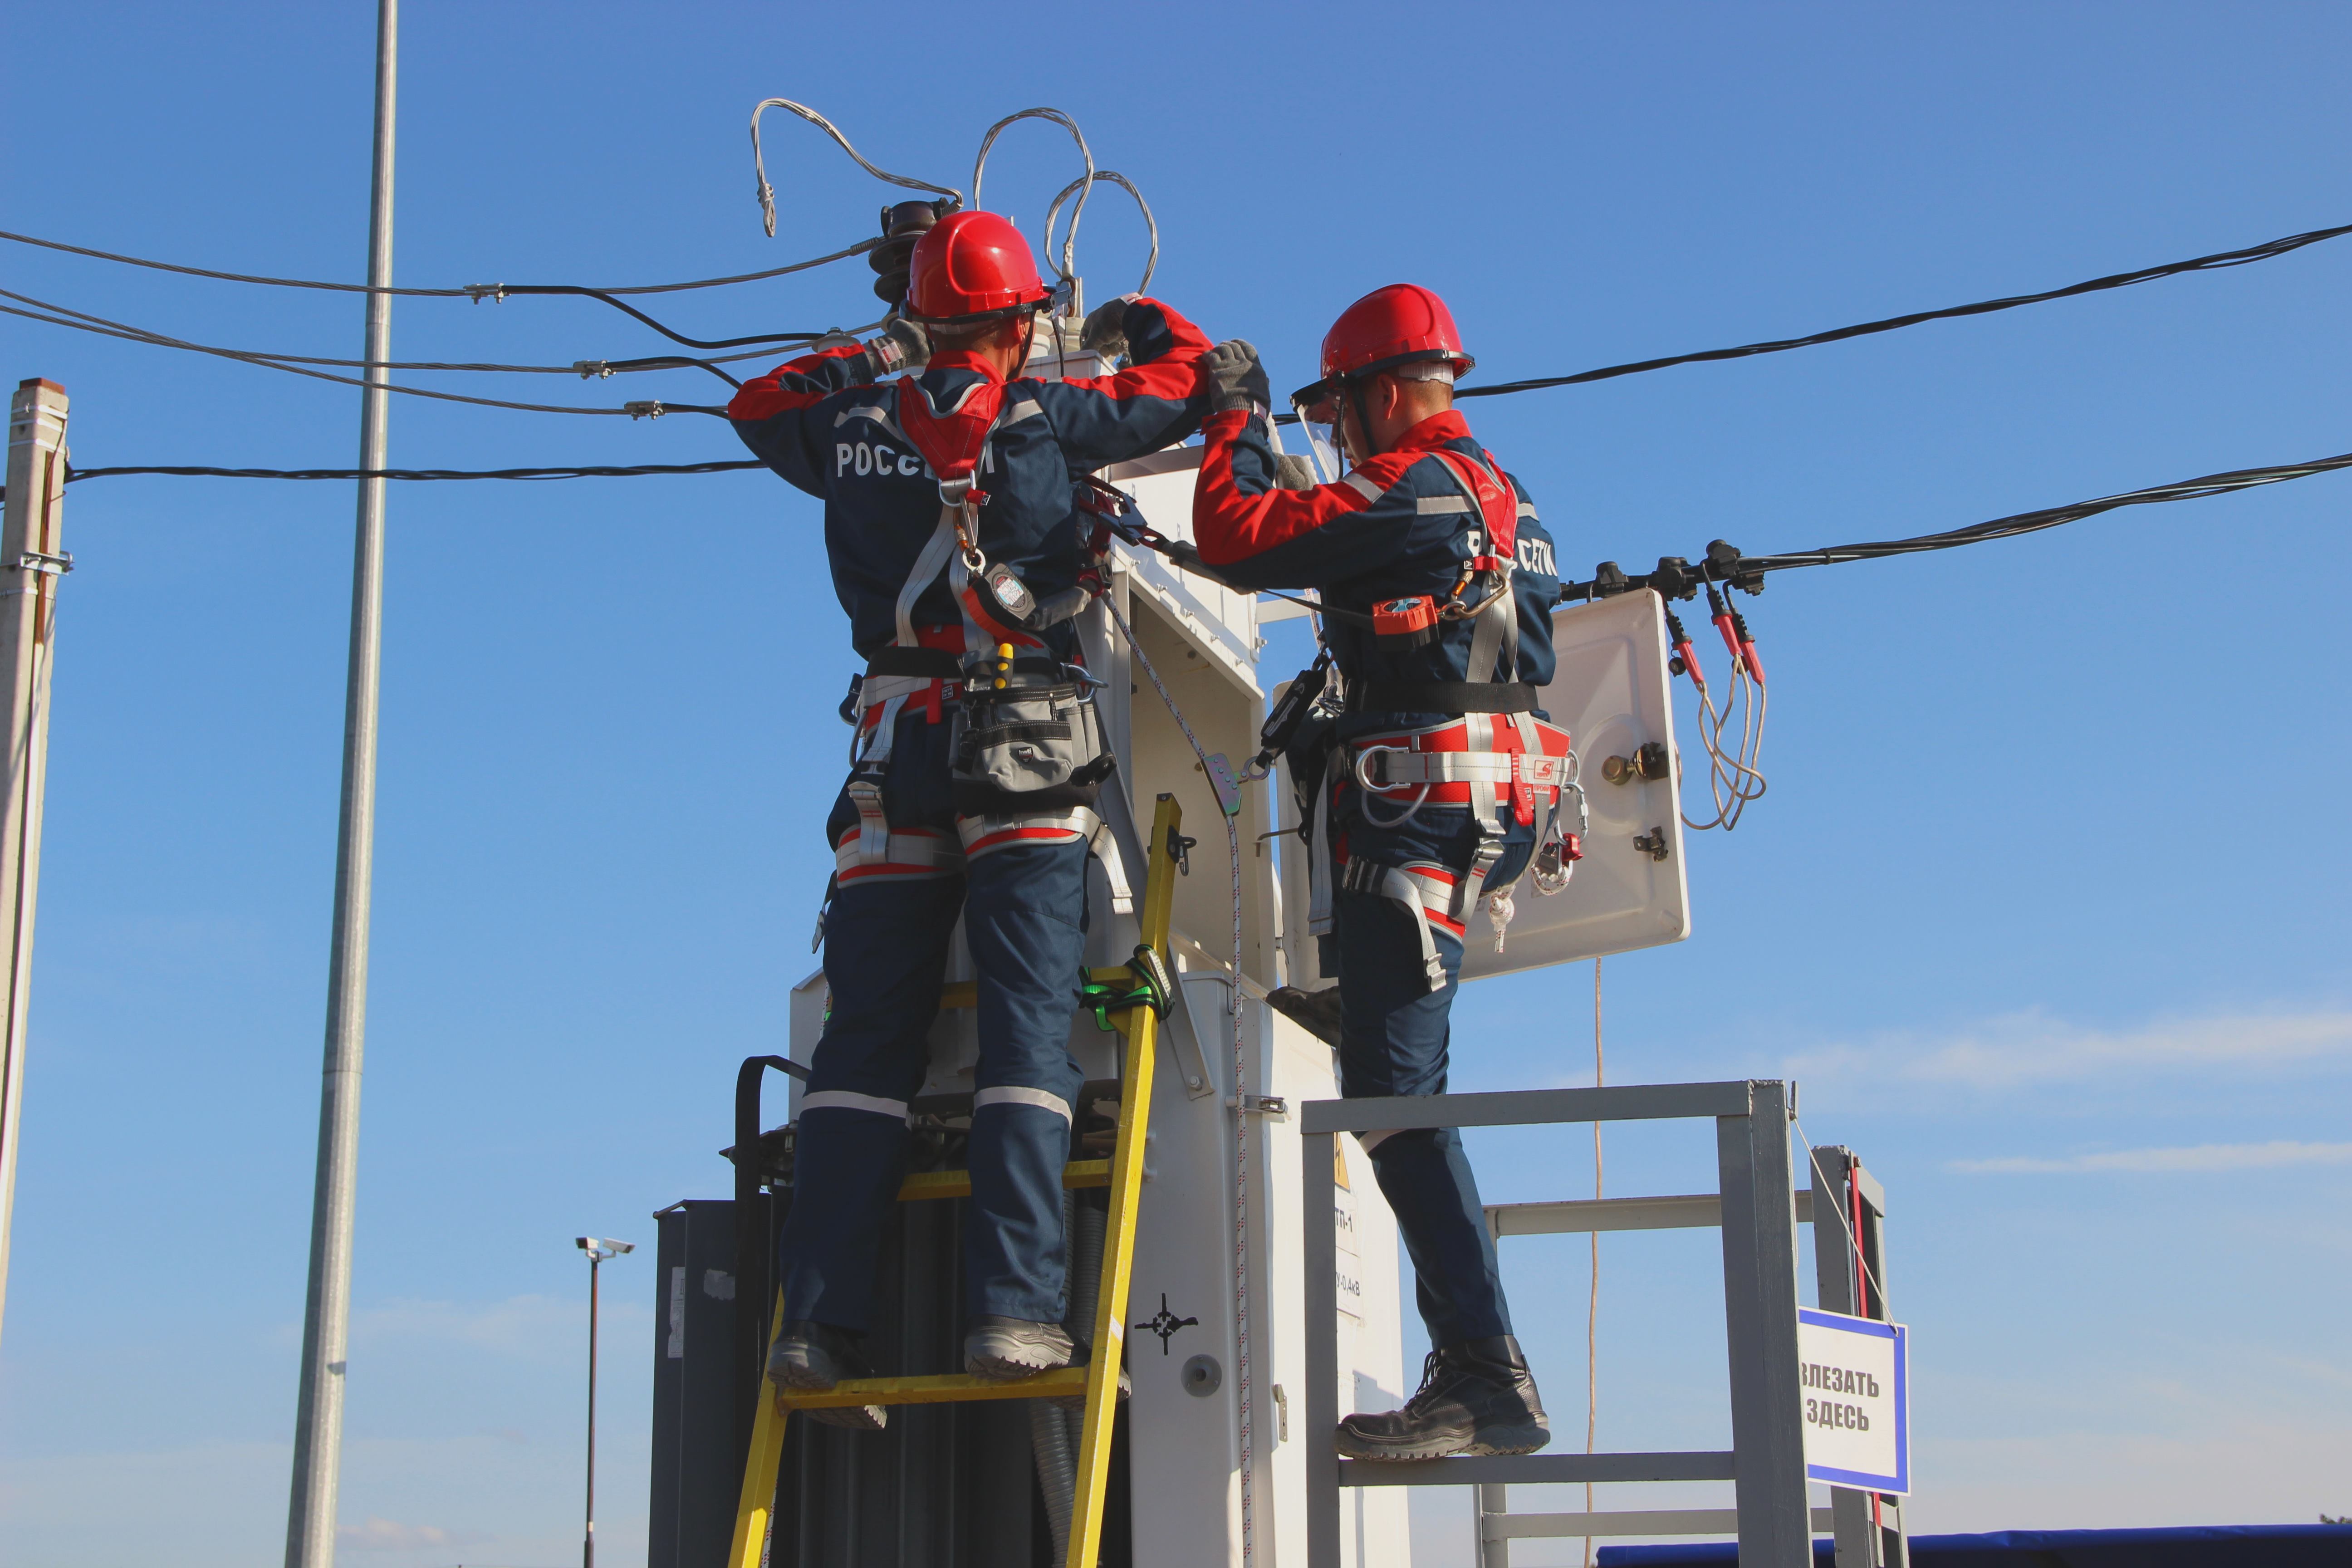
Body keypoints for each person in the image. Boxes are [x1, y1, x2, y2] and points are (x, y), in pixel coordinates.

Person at [726, 208, 1209, 1428]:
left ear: (922, 316)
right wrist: (1130, 324)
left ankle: (817, 1326)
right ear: (1017, 322)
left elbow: (753, 401)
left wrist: (879, 359)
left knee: (862, 1052)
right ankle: (1010, 1309)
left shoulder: (850, 421)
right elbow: (1193, 376)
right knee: (1026, 1043)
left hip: (894, 754)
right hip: (1026, 752)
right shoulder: (1055, 418)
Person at [1189, 285, 1573, 1460]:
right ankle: (1355, 1007)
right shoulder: (1505, 496)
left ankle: (1483, 1370)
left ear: (1392, 390)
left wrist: (1235, 421)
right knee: (1387, 1051)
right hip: (1493, 805)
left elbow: (1234, 539)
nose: (1342, 436)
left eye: (1347, 410)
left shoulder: (1407, 488)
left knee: (1395, 1087)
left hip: (1422, 809)